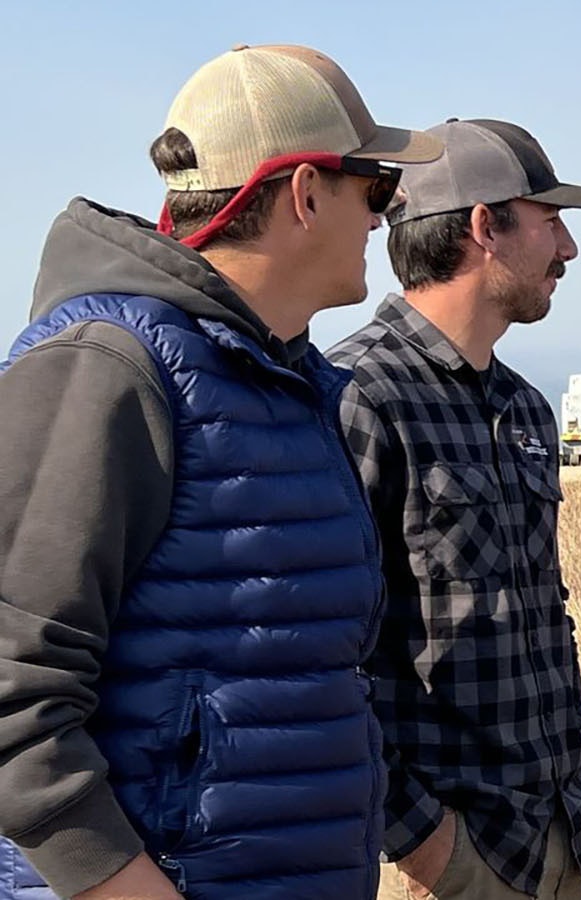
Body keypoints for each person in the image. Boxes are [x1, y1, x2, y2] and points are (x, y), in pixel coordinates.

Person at [0, 45, 440, 900]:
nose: (386, 220)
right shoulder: (109, 367)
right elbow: (15, 693)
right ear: (306, 193)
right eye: (376, 189)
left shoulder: (284, 378)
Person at [329, 119, 581, 900]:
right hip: (462, 853)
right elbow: (330, 658)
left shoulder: (525, 408)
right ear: (485, 227)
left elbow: (542, 615)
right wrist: (424, 842)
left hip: (578, 834)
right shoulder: (357, 397)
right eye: (551, 219)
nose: (569, 248)